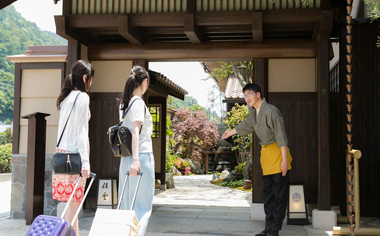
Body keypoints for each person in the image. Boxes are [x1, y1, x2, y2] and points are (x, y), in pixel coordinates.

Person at [221, 83, 292, 236]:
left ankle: (274, 230)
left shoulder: (271, 111)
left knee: (279, 196)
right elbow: (246, 125)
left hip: (279, 155)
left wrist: (284, 161)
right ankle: (268, 227)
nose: (246, 98)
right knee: (268, 194)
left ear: (258, 94)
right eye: (245, 96)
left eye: (249, 94)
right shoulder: (254, 113)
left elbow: (281, 136)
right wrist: (230, 132)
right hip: (266, 157)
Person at [52, 60, 95, 235]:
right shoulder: (83, 97)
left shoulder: (65, 98)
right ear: (85, 78)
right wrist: (85, 162)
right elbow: (81, 133)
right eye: (91, 79)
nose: (91, 83)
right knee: (73, 205)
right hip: (76, 156)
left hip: (62, 154)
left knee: (72, 203)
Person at [118, 65, 155, 236]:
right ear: (145, 82)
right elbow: (135, 131)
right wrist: (136, 160)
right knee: (142, 206)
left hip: (125, 159)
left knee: (127, 204)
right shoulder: (138, 103)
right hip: (140, 158)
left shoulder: (124, 104)